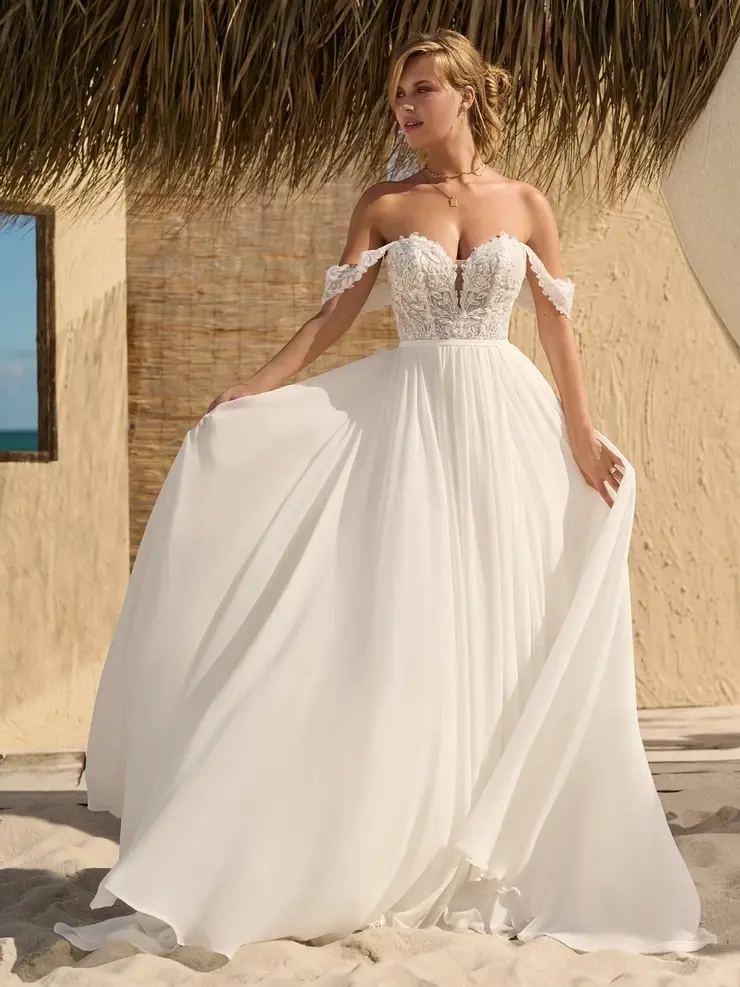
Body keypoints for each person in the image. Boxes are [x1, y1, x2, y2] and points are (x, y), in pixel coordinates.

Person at [54, 28, 716, 959]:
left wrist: (579, 433)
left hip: (506, 423)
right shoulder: (385, 202)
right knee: (410, 619)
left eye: (421, 91)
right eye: (398, 95)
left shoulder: (526, 202)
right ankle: (402, 826)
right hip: (410, 426)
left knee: (509, 616)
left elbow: (558, 332)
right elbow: (332, 320)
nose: (405, 108)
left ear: (467, 96)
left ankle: (499, 841)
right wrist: (259, 383)